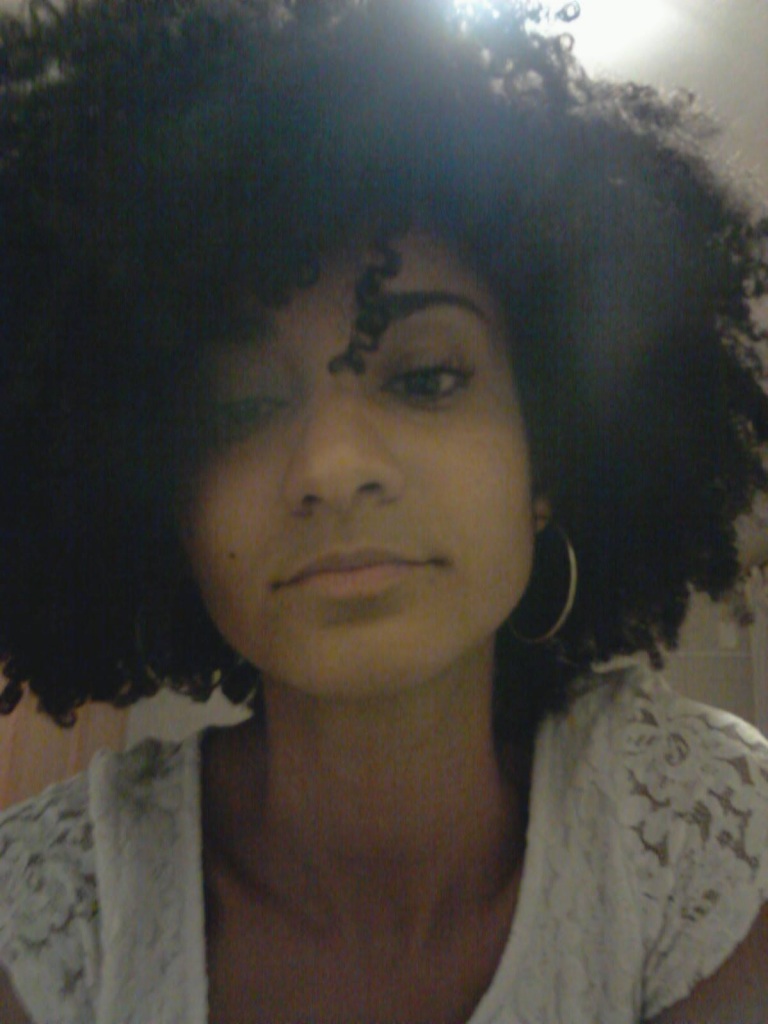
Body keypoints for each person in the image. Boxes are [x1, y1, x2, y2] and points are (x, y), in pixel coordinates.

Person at [1, 0, 768, 1020]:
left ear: (549, 459)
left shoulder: (711, 851)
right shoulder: (44, 923)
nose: (332, 467)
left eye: (427, 379)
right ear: (161, 500)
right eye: (238, 409)